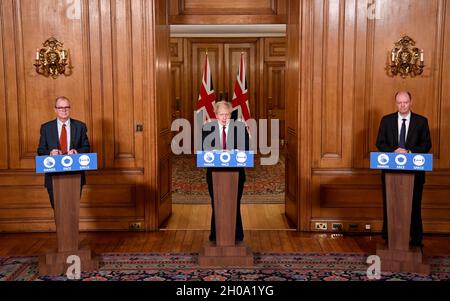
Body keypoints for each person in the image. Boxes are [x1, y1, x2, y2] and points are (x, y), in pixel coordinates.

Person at [376, 91, 432, 247]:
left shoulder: (421, 121)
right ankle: (389, 236)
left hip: (415, 173)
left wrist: (408, 152)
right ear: (396, 103)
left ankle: (415, 238)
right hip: (390, 174)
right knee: (390, 205)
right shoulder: (386, 121)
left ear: (411, 102)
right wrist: (395, 151)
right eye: (399, 103)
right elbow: (380, 142)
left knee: (414, 206)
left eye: (405, 102)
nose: (402, 105)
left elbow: (426, 144)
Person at [202, 101, 250, 242]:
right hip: (214, 174)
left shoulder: (240, 128)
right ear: (216, 115)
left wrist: (233, 152)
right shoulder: (208, 128)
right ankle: (216, 235)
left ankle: (237, 234)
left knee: (234, 203)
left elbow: (246, 149)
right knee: (216, 203)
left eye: (227, 115)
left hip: (236, 174)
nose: (224, 118)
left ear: (231, 115)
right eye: (221, 114)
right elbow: (204, 151)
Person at [37, 96, 90, 208]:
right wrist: (50, 153)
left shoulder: (80, 126)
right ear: (55, 109)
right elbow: (41, 150)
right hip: (53, 175)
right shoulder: (46, 128)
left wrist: (77, 151)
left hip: (74, 175)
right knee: (57, 208)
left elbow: (86, 147)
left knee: (72, 208)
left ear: (70, 108)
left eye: (66, 107)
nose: (64, 110)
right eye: (60, 107)